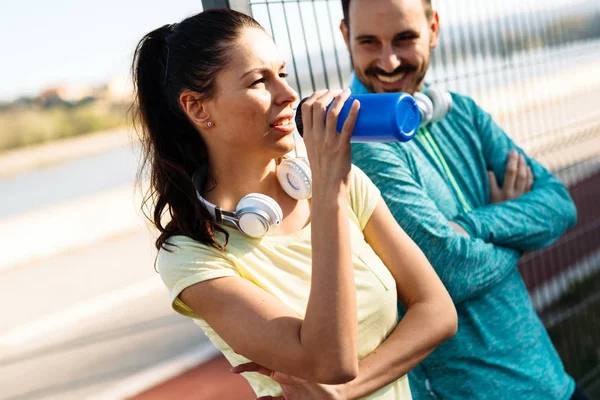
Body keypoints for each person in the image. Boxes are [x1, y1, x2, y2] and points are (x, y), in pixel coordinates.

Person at [132, 8, 457, 400]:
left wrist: (344, 393)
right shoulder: (192, 255)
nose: (287, 95)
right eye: (258, 81)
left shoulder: (343, 182)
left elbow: (438, 312)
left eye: (282, 74)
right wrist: (330, 195)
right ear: (198, 108)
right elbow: (330, 361)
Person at [339, 0, 586, 399]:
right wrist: (517, 236)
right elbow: (447, 269)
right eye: (369, 42)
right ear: (346, 37)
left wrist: (477, 225)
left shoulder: (462, 113)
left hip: (551, 383)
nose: (387, 62)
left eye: (404, 39)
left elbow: (560, 204)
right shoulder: (362, 144)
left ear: (433, 29)